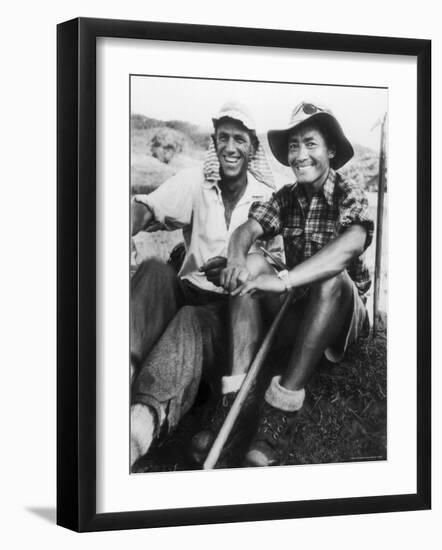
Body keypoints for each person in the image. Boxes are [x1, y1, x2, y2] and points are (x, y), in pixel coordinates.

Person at [214, 101, 374, 467]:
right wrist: (237, 260)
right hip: (303, 305)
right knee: (250, 269)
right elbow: (246, 230)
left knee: (331, 277)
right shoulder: (285, 198)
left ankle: (281, 409)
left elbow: (349, 247)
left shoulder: (350, 192)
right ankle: (233, 406)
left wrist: (284, 281)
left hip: (343, 316)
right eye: (294, 145)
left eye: (311, 144)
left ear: (331, 150)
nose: (300, 155)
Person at [130, 102, 283, 468]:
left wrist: (239, 267)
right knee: (153, 271)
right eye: (224, 138)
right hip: (188, 290)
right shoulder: (196, 182)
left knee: (190, 321)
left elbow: (277, 264)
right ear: (215, 142)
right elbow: (148, 208)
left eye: (240, 140)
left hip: (228, 315)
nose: (231, 147)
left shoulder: (266, 198)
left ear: (252, 149)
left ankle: (138, 426)